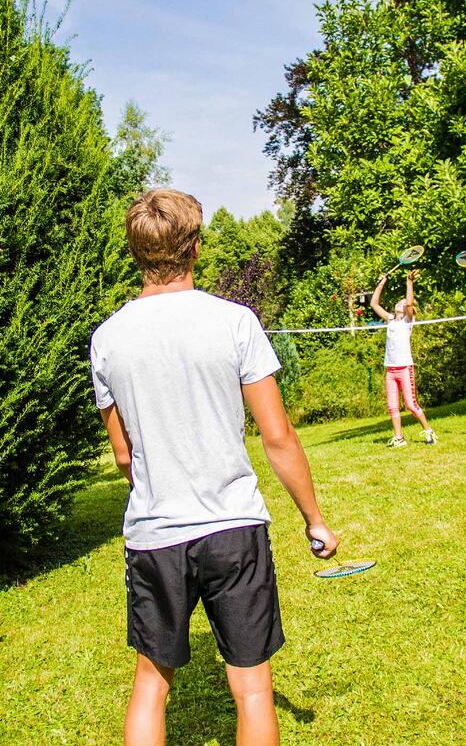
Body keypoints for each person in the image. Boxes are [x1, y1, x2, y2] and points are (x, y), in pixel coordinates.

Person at [90, 189, 338, 746]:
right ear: (195, 248)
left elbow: (125, 456)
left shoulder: (106, 339)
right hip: (234, 529)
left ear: (136, 253)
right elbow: (277, 435)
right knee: (251, 689)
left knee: (151, 686)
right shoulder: (235, 322)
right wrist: (314, 518)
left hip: (155, 535)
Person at [370, 269, 437, 447]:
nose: (401, 303)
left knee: (411, 404)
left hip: (405, 368)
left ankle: (429, 431)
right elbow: (374, 304)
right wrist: (382, 283)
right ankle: (399, 437)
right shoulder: (390, 319)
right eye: (399, 302)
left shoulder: (408, 320)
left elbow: (409, 303)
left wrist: (409, 282)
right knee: (393, 406)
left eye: (404, 302)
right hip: (390, 370)